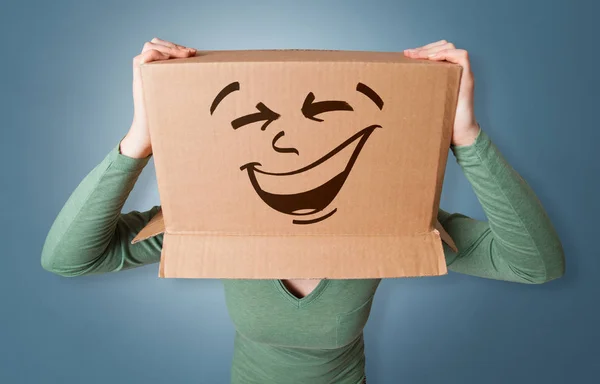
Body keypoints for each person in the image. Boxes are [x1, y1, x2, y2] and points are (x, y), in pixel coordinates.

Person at [41, 38, 565, 384]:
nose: (289, 140)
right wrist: (142, 139)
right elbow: (70, 259)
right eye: (255, 119)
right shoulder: (217, 219)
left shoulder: (392, 223)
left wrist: (463, 136)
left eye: (328, 113)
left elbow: (533, 264)